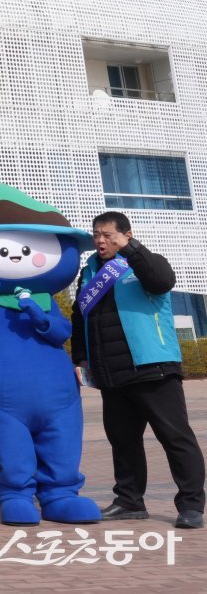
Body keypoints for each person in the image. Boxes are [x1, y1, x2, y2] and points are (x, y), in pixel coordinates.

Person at [72, 211, 205, 529]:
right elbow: (80, 317)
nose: (101, 240)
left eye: (108, 234)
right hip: (111, 373)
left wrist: (131, 250)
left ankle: (191, 505)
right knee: (122, 439)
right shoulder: (89, 271)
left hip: (153, 366)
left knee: (175, 437)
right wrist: (80, 357)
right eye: (96, 235)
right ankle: (129, 500)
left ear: (126, 234)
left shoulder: (145, 261)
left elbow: (162, 282)